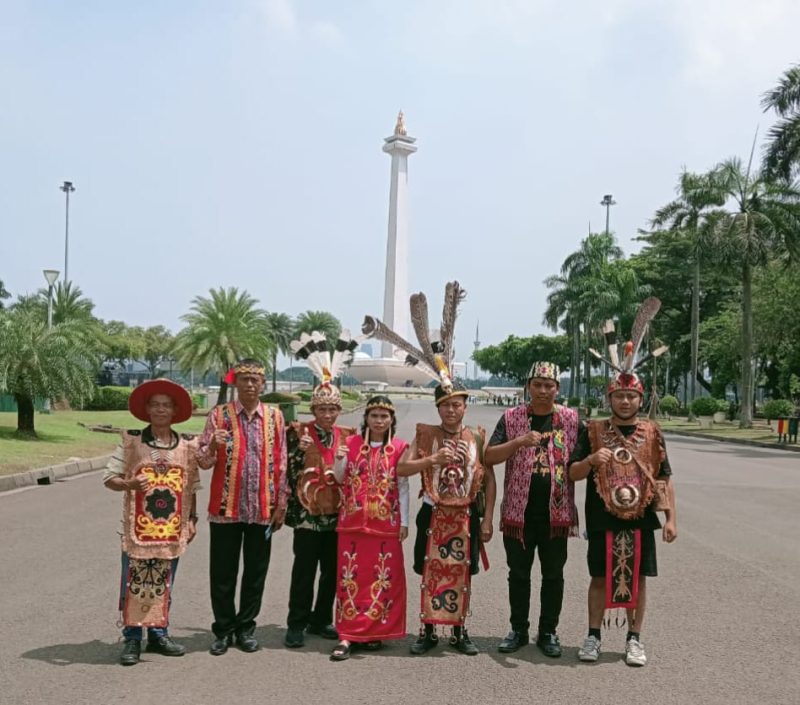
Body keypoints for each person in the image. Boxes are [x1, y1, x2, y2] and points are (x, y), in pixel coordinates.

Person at [569, 373, 677, 667]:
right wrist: (591, 460)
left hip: (640, 518)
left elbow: (664, 477)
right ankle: (593, 635)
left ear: (641, 399)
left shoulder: (652, 432)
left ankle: (634, 638)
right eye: (619, 395)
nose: (625, 401)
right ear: (610, 399)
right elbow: (572, 473)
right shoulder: (592, 431)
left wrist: (670, 519)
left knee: (638, 579)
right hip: (602, 516)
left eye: (631, 396)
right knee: (600, 578)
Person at [485, 362, 580, 658]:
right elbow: (488, 457)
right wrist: (517, 442)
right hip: (518, 513)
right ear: (528, 386)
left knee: (553, 575)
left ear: (557, 389)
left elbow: (580, 463)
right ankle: (518, 629)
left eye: (548, 385)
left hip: (556, 515)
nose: (542, 390)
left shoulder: (572, 420)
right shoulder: (512, 418)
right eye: (537, 384)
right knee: (518, 573)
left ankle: (548, 631)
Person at [104, 379, 200, 666]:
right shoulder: (132, 441)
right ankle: (132, 637)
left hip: (172, 529)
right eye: (155, 405)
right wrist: (129, 484)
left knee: (164, 581)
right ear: (147, 409)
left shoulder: (186, 446)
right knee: (133, 581)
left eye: (166, 405)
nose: (160, 410)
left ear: (174, 411)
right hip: (138, 529)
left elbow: (191, 487)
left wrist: (192, 519)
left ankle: (159, 633)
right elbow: (109, 478)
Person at [197, 359, 288, 655]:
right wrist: (212, 446)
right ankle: (223, 629)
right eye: (245, 379)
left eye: (255, 380)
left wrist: (280, 504)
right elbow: (203, 461)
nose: (250, 384)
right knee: (222, 573)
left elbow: (283, 462)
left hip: (262, 509)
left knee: (255, 573)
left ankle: (246, 627)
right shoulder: (219, 415)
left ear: (263, 384)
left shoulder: (275, 417)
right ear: (235, 382)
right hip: (226, 509)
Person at [398, 381, 495, 656]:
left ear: (465, 407)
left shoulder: (476, 436)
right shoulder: (426, 435)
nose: (451, 410)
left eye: (456, 404)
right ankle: (427, 631)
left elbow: (488, 479)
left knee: (462, 571)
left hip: (466, 514)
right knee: (430, 571)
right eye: (445, 405)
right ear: (437, 407)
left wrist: (487, 519)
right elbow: (403, 468)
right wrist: (431, 460)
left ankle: (459, 631)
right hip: (433, 512)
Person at [283, 335, 356, 649]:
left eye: (333, 409)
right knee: (304, 571)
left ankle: (321, 618)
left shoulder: (348, 435)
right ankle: (296, 623)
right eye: (322, 408)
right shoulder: (298, 432)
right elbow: (284, 471)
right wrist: (298, 453)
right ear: (313, 408)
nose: (328, 414)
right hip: (307, 514)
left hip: (337, 515)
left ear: (339, 410)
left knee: (332, 572)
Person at [329, 396, 409, 661]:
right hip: (352, 524)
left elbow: (403, 487)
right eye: (374, 415)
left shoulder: (399, 448)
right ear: (366, 418)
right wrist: (339, 460)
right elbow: (340, 478)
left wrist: (405, 522)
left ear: (391, 420)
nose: (378, 421)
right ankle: (347, 635)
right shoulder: (350, 444)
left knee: (382, 579)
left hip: (386, 525)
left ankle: (374, 631)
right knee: (350, 580)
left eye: (384, 416)